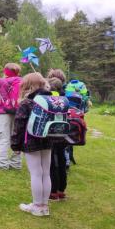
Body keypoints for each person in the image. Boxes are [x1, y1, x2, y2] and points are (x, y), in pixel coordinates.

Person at [10, 73, 53, 216]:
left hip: (31, 140)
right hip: (48, 140)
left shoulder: (27, 103)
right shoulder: (51, 100)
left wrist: (15, 146)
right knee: (46, 173)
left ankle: (36, 206)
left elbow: (19, 126)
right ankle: (45, 207)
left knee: (36, 173)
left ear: (27, 86)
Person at [47, 70, 68, 201]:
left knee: (52, 163)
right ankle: (61, 190)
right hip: (63, 133)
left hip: (51, 133)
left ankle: (53, 191)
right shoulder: (65, 98)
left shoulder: (50, 99)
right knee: (61, 161)